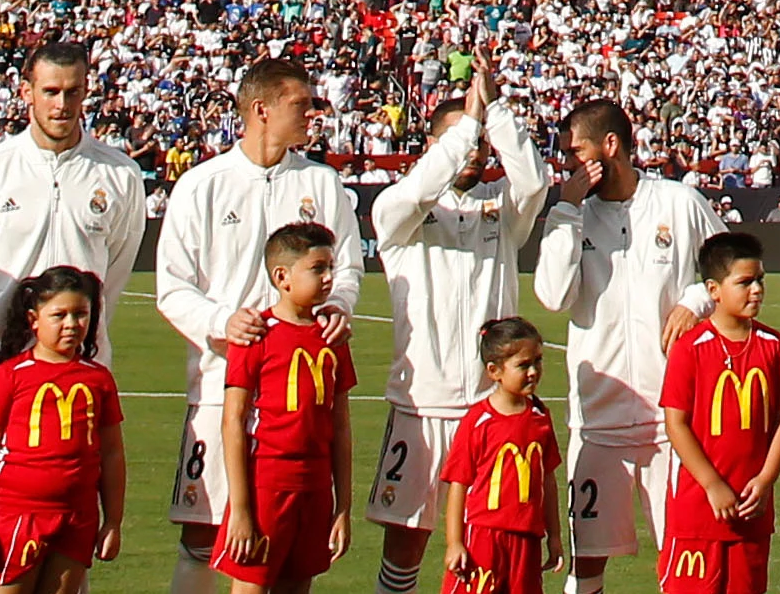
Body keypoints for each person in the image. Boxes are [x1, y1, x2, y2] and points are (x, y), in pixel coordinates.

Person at [0, 45, 150, 594]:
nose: (61, 103)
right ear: (26, 91)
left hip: (74, 381)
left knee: (69, 524)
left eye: (72, 91)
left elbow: (113, 276)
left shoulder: (119, 176)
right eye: (50, 91)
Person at [161, 60, 359, 594]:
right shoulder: (202, 184)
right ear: (261, 109)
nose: (313, 113)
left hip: (297, 403)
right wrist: (223, 322)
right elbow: (172, 288)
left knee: (290, 551)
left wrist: (338, 305)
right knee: (206, 537)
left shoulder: (322, 181)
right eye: (302, 104)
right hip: (221, 387)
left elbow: (350, 270)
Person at [537, 94, 735, 594]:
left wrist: (697, 298)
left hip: (672, 420)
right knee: (587, 566)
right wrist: (565, 210)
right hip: (598, 421)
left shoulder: (677, 202)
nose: (569, 165)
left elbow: (732, 266)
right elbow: (554, 297)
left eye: (575, 152)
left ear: (610, 145)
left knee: (684, 558)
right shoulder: (571, 214)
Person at [375, 56, 552, 594]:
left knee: (485, 554)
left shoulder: (499, 209)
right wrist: (465, 127)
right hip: (421, 404)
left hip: (490, 410)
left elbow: (535, 181)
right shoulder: (397, 212)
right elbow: (415, 192)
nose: (472, 151)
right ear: (435, 148)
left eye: (479, 144)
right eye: (460, 142)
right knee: (405, 544)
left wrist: (493, 108)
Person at [216, 224, 362, 594]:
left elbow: (341, 427)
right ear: (282, 277)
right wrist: (242, 510)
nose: (329, 278)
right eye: (318, 268)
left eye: (331, 267)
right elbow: (233, 422)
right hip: (268, 484)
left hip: (314, 486)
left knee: (298, 584)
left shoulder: (333, 337)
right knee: (251, 583)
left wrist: (342, 506)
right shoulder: (256, 335)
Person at [0, 267, 126, 594]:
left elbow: (112, 453)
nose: (72, 324)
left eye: (81, 314)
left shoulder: (98, 379)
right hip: (19, 517)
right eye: (60, 315)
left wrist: (112, 520)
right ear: (34, 319)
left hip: (77, 519)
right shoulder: (9, 376)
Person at [666, 231, 780, 594]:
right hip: (699, 511)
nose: (757, 289)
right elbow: (676, 423)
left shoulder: (774, 346)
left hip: (751, 511)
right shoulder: (690, 348)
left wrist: (766, 479)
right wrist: (712, 485)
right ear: (713, 290)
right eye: (744, 282)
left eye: (759, 280)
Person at [434, 320, 560, 594]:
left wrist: (555, 536)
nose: (533, 372)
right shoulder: (478, 421)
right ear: (494, 371)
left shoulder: (541, 418)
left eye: (537, 361)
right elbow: (458, 484)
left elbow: (547, 481)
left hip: (526, 541)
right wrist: (455, 542)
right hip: (483, 538)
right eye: (523, 365)